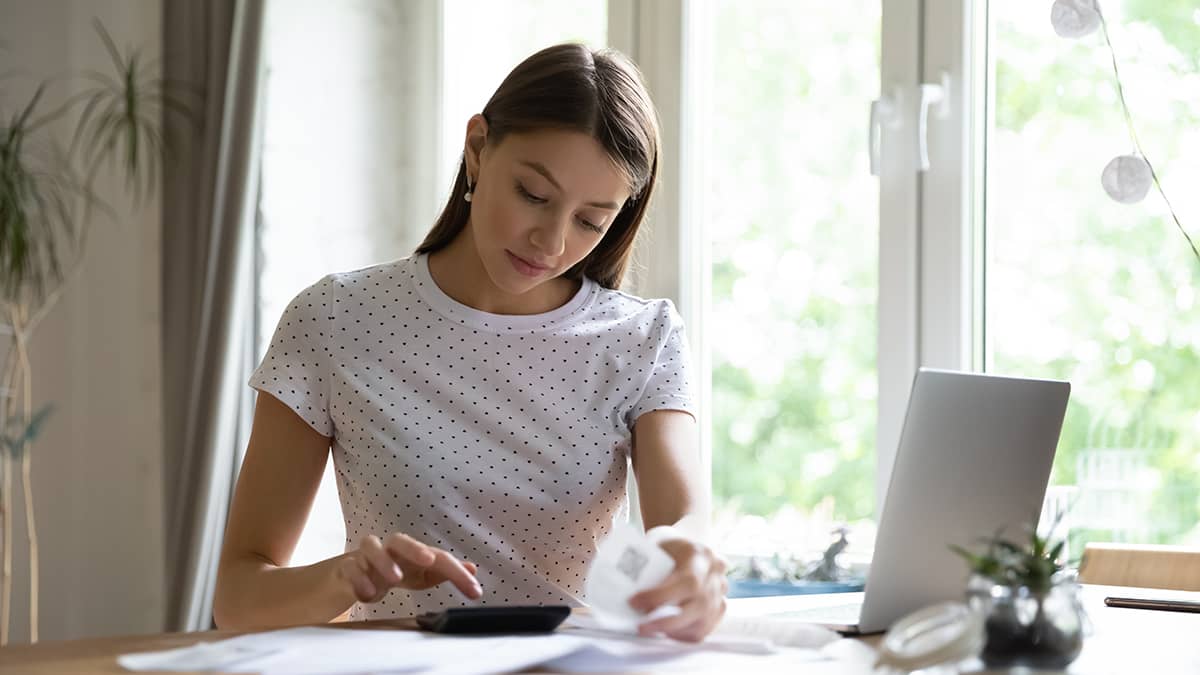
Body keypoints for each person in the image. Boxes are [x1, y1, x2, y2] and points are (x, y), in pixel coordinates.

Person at [213, 42, 727, 642]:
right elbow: (239, 597)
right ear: (478, 149)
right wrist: (345, 579)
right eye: (533, 195)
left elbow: (684, 522)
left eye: (591, 219)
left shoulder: (643, 339)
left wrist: (684, 559)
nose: (552, 242)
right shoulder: (334, 319)